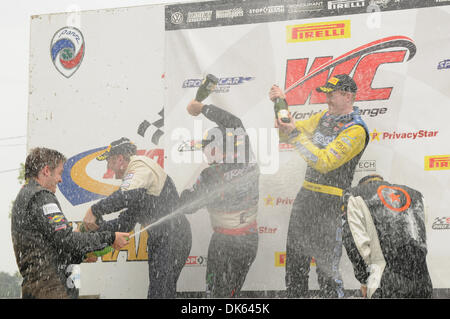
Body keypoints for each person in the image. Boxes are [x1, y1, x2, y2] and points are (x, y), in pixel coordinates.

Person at [269, 74, 370, 298]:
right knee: (295, 265)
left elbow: (324, 162)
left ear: (347, 96)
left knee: (327, 271)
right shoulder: (323, 117)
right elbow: (287, 135)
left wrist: (294, 133)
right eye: (326, 95)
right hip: (305, 199)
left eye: (331, 95)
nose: (327, 100)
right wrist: (281, 107)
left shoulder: (356, 130)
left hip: (331, 205)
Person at [11, 147, 130, 299]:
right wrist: (110, 238)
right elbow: (65, 239)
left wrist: (82, 255)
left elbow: (50, 247)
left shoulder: (25, 196)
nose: (60, 179)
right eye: (59, 173)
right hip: (50, 288)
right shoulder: (41, 196)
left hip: (36, 286)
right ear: (46, 171)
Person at [83, 137, 192, 299]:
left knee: (160, 293)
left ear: (119, 158)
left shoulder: (140, 165)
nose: (109, 168)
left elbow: (125, 197)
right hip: (162, 238)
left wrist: (94, 210)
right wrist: (94, 235)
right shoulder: (137, 182)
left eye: (109, 162)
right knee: (159, 292)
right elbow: (124, 223)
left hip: (173, 236)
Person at [178, 99, 260, 298]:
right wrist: (204, 109)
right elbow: (235, 123)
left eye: (206, 148)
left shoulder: (210, 175)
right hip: (249, 240)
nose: (205, 153)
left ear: (216, 148)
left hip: (224, 242)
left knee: (215, 294)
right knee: (230, 293)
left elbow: (188, 206)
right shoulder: (247, 157)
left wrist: (182, 196)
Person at [341, 174, 433, 298]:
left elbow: (353, 243)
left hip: (385, 282)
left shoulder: (355, 196)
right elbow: (419, 233)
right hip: (422, 281)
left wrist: (363, 279)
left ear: (363, 185)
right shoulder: (416, 195)